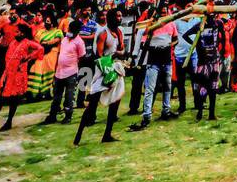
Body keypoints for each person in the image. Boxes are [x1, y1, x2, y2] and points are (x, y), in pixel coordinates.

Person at [74, 11, 126, 146]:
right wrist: (113, 57)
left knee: (115, 102)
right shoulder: (103, 33)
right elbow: (99, 55)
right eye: (117, 16)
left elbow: (122, 49)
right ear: (110, 19)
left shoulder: (119, 32)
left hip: (116, 68)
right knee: (92, 104)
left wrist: (119, 55)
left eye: (120, 16)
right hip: (102, 70)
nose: (119, 18)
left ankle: (107, 134)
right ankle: (78, 134)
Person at [133, 18, 177, 129]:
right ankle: (147, 115)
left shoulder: (171, 23)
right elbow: (143, 42)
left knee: (167, 87)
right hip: (153, 61)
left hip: (166, 60)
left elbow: (176, 39)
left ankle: (166, 110)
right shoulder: (150, 26)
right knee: (150, 89)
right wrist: (155, 46)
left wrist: (169, 45)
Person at [42, 19, 85, 124]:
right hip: (59, 73)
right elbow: (59, 54)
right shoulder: (64, 39)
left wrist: (77, 71)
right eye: (69, 28)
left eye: (72, 29)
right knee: (56, 96)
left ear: (77, 31)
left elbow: (81, 57)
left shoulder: (79, 42)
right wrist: (56, 69)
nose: (69, 31)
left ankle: (68, 116)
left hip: (71, 73)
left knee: (69, 96)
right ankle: (52, 116)